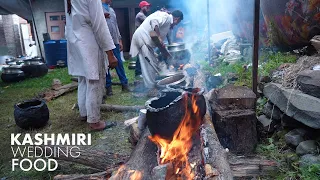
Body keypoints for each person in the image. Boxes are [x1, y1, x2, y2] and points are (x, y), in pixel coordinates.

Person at [65, 0, 118, 130]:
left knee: (83, 79)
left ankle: (84, 113)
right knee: (95, 80)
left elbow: (80, 14)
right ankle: (94, 121)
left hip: (75, 39)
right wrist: (110, 53)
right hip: (88, 41)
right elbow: (99, 25)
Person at [130, 10, 184, 89]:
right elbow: (154, 22)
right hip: (142, 38)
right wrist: (158, 36)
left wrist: (166, 54)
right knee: (149, 66)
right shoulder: (166, 16)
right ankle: (151, 89)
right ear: (177, 19)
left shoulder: (167, 24)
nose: (175, 25)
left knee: (153, 64)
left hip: (146, 42)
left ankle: (151, 86)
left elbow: (159, 43)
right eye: (177, 23)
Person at [101, 0, 130, 96]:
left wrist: (120, 40)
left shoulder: (111, 10)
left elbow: (116, 26)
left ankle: (124, 84)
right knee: (106, 65)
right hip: (104, 41)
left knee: (119, 63)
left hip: (114, 41)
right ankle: (108, 88)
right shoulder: (98, 8)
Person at [134, 1, 151, 78]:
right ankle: (138, 72)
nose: (148, 8)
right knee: (141, 55)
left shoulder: (143, 15)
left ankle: (142, 71)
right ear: (142, 7)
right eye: (146, 7)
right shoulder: (140, 15)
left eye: (148, 7)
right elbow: (149, 22)